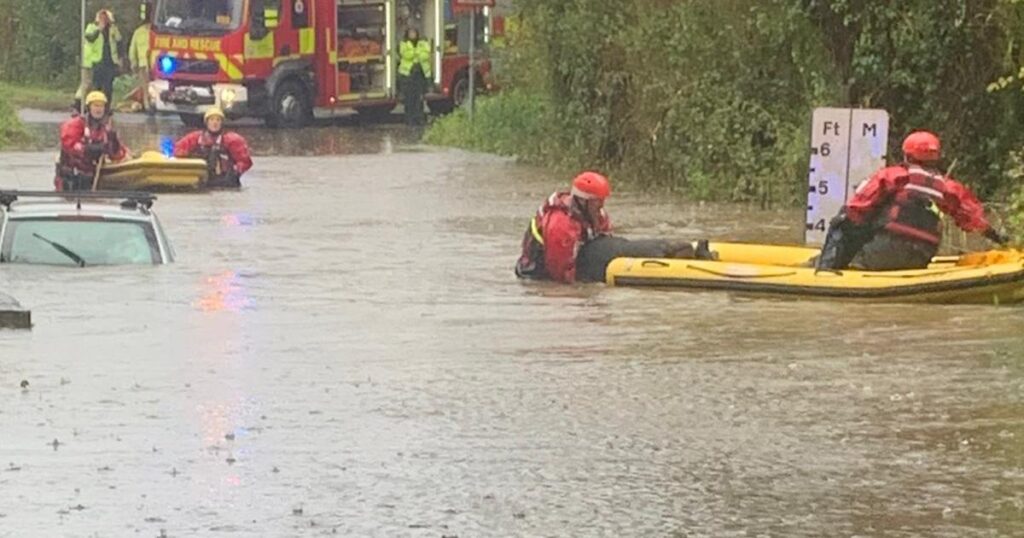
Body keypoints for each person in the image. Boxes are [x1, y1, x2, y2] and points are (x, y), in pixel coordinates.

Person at [816, 131, 1009, 271]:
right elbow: (976, 221)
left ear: (907, 155)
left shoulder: (892, 176)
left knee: (843, 220)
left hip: (882, 254)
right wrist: (1000, 240)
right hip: (920, 258)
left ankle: (826, 267)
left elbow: (855, 210)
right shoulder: (948, 188)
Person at [515, 172, 715, 284]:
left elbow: (605, 237)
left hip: (583, 255)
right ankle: (669, 251)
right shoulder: (561, 225)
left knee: (619, 247)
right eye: (597, 202)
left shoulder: (595, 213)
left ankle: (673, 249)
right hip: (543, 273)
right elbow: (560, 273)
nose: (601, 206)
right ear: (583, 201)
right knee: (614, 251)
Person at [56, 91, 129, 192]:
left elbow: (118, 155)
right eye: (95, 105)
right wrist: (92, 149)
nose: (98, 109)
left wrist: (113, 142)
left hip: (91, 177)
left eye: (101, 106)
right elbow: (70, 146)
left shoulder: (106, 129)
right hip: (71, 177)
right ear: (88, 108)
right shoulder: (74, 125)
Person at [173, 108, 253, 188]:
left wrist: (236, 171)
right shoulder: (196, 138)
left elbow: (245, 161)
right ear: (206, 122)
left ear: (222, 123)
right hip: (203, 179)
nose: (215, 123)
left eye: (218, 120)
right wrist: (190, 158)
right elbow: (178, 150)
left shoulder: (232, 140)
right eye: (211, 120)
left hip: (226, 180)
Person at [78, 10, 122, 113]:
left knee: (108, 86)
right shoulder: (92, 27)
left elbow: (120, 42)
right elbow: (90, 38)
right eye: (102, 17)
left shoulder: (113, 29)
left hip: (110, 61)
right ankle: (92, 106)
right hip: (97, 61)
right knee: (95, 85)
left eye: (106, 18)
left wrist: (120, 58)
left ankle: (106, 108)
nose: (104, 20)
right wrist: (99, 29)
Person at [398, 28, 431, 126]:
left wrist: (414, 53)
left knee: (419, 98)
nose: (413, 34)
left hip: (420, 74)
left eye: (414, 32)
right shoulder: (404, 43)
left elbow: (426, 55)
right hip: (407, 75)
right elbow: (406, 55)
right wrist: (417, 53)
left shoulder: (423, 43)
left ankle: (419, 119)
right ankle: (409, 119)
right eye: (411, 33)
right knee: (409, 99)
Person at [129, 3, 153, 114]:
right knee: (145, 86)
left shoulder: (153, 32)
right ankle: (147, 104)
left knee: (150, 86)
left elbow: (132, 50)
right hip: (145, 63)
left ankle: (150, 103)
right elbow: (133, 49)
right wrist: (133, 62)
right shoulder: (139, 32)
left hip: (152, 63)